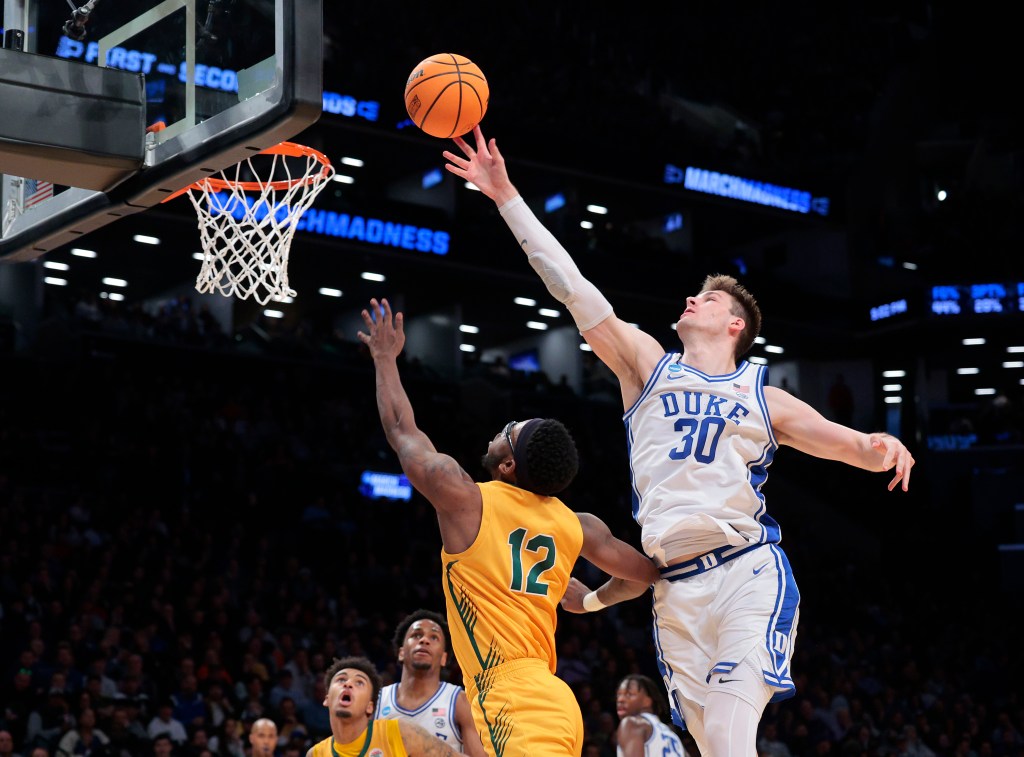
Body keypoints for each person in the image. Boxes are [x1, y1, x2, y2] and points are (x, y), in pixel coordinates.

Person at [443, 126, 916, 757]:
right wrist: (505, 197)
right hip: (675, 590)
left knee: (726, 735)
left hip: (747, 569)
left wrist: (877, 444)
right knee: (712, 746)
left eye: (710, 297)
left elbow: (843, 444)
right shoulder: (646, 365)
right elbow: (572, 285)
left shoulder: (762, 393)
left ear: (735, 324)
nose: (692, 298)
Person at [358, 298, 661, 756]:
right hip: (554, 698)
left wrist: (384, 360)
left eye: (512, 430)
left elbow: (403, 430)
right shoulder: (575, 526)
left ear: (506, 464)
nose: (505, 426)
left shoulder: (465, 498)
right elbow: (645, 575)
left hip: (508, 699)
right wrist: (596, 599)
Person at [375, 610, 486, 756]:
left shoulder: (459, 701)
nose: (424, 640)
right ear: (401, 652)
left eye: (434, 637)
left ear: (444, 658)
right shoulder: (376, 701)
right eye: (416, 635)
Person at [306, 655, 462, 757]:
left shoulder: (400, 733)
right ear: (327, 699)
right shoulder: (316, 754)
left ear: (370, 706)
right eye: (341, 680)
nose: (348, 684)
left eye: (359, 682)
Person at [614, 675, 686, 757]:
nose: (620, 700)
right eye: (618, 695)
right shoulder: (672, 736)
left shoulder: (632, 724)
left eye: (629, 694)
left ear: (647, 701)